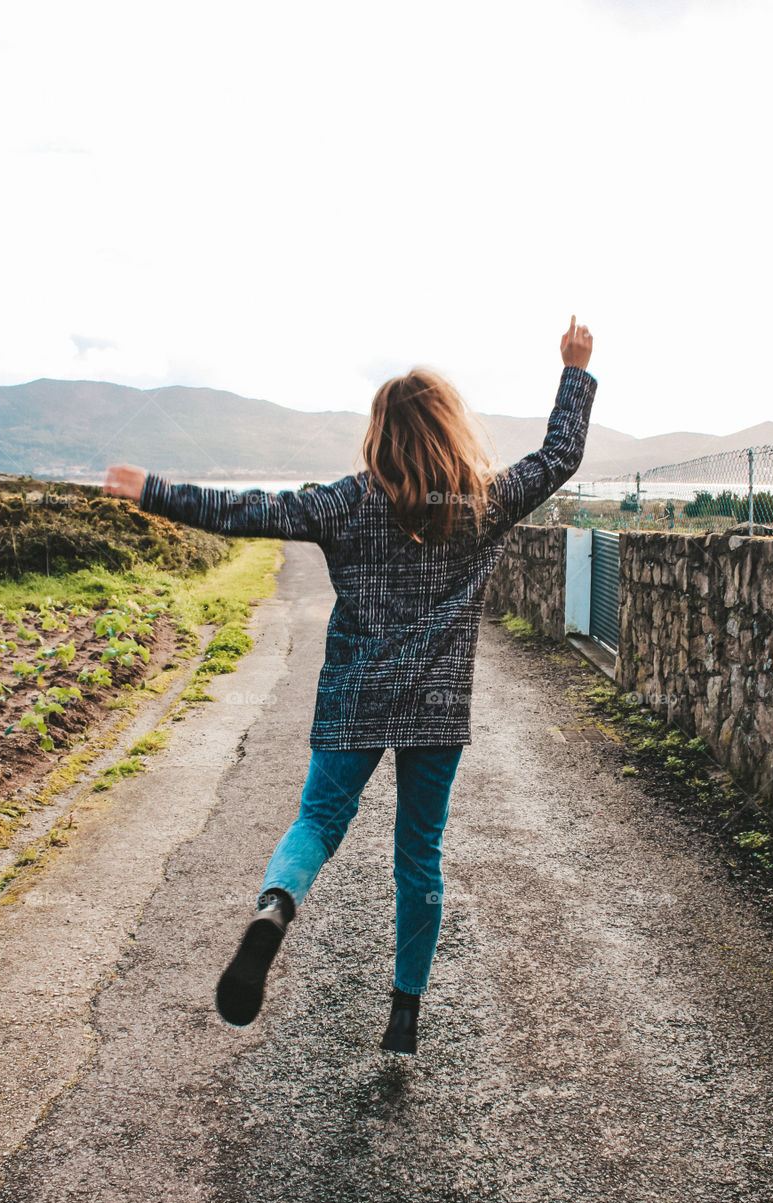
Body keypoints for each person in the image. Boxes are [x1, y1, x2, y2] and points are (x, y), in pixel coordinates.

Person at [103, 316, 596, 1055]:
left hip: (353, 699)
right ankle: (404, 1012)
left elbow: (252, 513)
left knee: (317, 822)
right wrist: (573, 368)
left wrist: (157, 492)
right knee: (418, 852)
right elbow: (559, 455)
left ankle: (275, 906)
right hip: (435, 707)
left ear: (380, 433)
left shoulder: (346, 501)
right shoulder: (482, 503)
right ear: (449, 429)